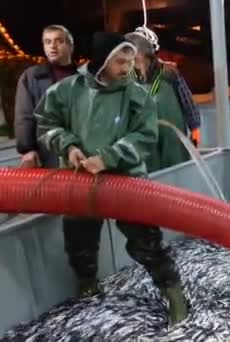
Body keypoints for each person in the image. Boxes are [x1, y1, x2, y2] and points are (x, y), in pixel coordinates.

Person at [35, 32, 188, 325]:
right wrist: (69, 146)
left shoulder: (137, 94)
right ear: (102, 61)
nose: (127, 67)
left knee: (147, 242)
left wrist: (108, 157)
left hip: (126, 181)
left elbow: (145, 136)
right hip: (80, 181)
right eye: (120, 61)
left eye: (130, 60)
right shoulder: (66, 90)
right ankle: (87, 287)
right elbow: (46, 123)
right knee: (79, 241)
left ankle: (174, 295)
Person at [125, 32, 200, 172]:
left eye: (134, 58)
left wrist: (195, 128)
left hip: (173, 136)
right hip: (145, 138)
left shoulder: (170, 74)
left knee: (177, 171)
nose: (131, 63)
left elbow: (188, 102)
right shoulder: (126, 80)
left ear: (146, 55)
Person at [14, 25, 78, 168]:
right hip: (45, 152)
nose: (52, 47)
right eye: (47, 42)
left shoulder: (82, 78)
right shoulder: (32, 77)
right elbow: (24, 115)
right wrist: (28, 149)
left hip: (78, 152)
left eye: (58, 41)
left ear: (70, 45)